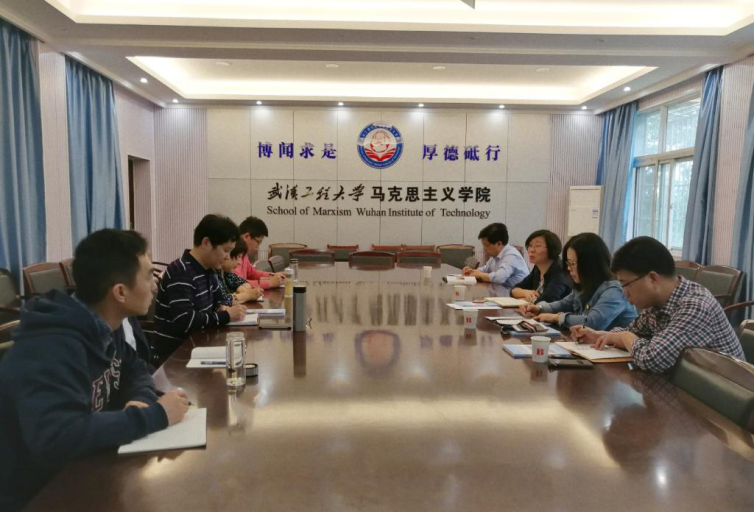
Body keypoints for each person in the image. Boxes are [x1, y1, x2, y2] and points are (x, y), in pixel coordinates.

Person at [0, 230, 189, 512]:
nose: (154, 286)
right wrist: (155, 415)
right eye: (149, 276)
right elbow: (58, 438)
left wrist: (138, 400)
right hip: (37, 494)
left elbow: (135, 370)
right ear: (120, 292)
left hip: (86, 470)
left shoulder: (105, 322)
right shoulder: (50, 346)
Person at [572, 237, 745, 374]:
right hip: (686, 386)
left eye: (626, 284)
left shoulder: (695, 305)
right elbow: (634, 331)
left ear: (652, 279)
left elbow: (652, 358)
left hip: (723, 401)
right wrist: (601, 336)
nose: (624, 293)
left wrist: (623, 336)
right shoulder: (657, 303)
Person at [154, 214, 247, 358]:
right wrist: (225, 315)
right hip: (177, 356)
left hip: (200, 346)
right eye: (226, 250)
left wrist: (222, 307)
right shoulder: (181, 271)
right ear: (206, 243)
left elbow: (222, 299)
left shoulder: (208, 269)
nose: (227, 257)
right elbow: (185, 320)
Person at [520, 232, 637, 330]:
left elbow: (592, 323)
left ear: (589, 263)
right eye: (568, 263)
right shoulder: (585, 285)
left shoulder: (615, 290)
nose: (568, 268)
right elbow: (564, 304)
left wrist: (557, 318)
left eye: (572, 263)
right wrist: (539, 308)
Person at [511, 229, 572, 304]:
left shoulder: (561, 271)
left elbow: (548, 300)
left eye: (537, 246)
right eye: (530, 245)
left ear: (551, 248)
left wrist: (525, 299)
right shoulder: (537, 268)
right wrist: (525, 292)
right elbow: (513, 290)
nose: (531, 250)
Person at [462, 223, 529, 288]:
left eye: (487, 245)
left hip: (519, 294)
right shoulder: (495, 255)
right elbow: (485, 269)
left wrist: (479, 275)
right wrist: (472, 271)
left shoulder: (511, 255)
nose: (484, 249)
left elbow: (499, 278)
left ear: (499, 244)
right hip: (503, 291)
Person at [234, 216, 286, 290]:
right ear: (247, 236)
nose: (258, 247)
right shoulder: (231, 253)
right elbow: (236, 283)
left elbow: (252, 273)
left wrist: (273, 276)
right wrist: (269, 283)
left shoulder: (243, 253)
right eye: (258, 242)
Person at [217, 238, 264, 306]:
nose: (240, 262)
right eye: (239, 256)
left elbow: (245, 282)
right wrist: (247, 295)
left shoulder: (227, 274)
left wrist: (242, 289)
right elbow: (221, 301)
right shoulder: (213, 275)